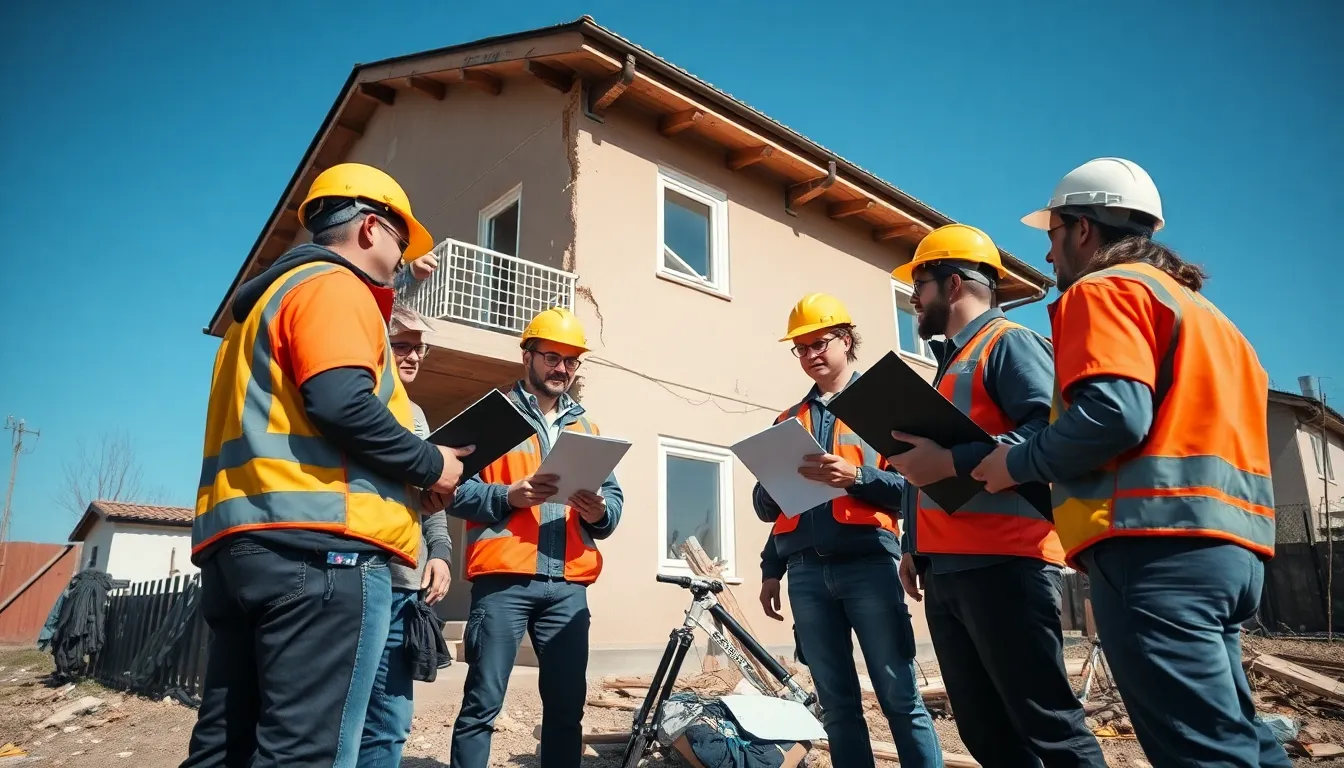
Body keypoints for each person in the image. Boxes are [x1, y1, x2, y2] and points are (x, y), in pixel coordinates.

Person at [972, 157, 1291, 767]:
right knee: (1238, 738)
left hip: (1155, 552)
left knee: (1200, 752)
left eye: (1052, 237)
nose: (1047, 259)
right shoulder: (1211, 318)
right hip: (1232, 552)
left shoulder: (1106, 289)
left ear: (1082, 230)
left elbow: (1113, 416)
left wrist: (1012, 465)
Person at [184, 162, 473, 768]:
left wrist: (406, 488)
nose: (401, 261)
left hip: (242, 552)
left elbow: (304, 429)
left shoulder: (258, 313)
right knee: (306, 754)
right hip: (320, 558)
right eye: (400, 241)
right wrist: (428, 463)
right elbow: (340, 402)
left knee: (225, 747)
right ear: (370, 228)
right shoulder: (335, 287)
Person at [886, 224, 1105, 768]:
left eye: (920, 283)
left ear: (953, 284)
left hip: (1008, 563)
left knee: (1048, 726)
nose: (913, 297)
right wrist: (915, 545)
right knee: (986, 733)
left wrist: (952, 461)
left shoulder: (1008, 343)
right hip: (948, 571)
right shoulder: (947, 364)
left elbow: (1050, 432)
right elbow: (929, 468)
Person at [756, 294, 943, 768]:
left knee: (900, 697)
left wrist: (857, 478)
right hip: (805, 573)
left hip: (869, 565)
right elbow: (768, 507)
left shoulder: (885, 407)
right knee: (837, 707)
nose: (810, 355)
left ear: (845, 340)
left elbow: (917, 487)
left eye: (819, 343)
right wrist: (770, 568)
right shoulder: (786, 421)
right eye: (800, 348)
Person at [447, 307, 623, 768]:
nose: (561, 367)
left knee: (566, 709)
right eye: (551, 356)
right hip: (504, 579)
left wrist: (600, 511)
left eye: (570, 360)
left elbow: (614, 503)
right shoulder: (491, 418)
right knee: (482, 704)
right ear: (527, 355)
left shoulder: (588, 429)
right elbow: (449, 490)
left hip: (568, 586)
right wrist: (508, 496)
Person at [357, 304, 455, 767]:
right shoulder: (360, 401)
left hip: (406, 586)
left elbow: (427, 496)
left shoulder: (416, 413)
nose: (414, 356)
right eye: (403, 346)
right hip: (362, 579)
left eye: (421, 348)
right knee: (347, 718)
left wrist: (439, 551)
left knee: (392, 721)